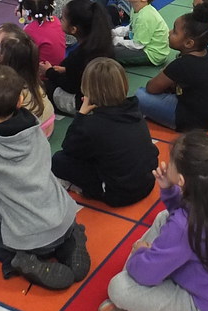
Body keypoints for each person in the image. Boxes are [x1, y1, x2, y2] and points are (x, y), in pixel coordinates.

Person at [98, 132, 208, 311]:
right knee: (164, 217)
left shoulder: (185, 226)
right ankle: (152, 270)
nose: (166, 163)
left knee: (119, 287)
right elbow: (183, 215)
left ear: (181, 179)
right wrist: (169, 191)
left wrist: (140, 252)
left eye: (170, 161)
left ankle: (138, 298)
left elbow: (146, 273)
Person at [0, 65, 90, 291]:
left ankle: (24, 261)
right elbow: (45, 168)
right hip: (64, 216)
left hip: (30, 237)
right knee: (44, 224)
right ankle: (71, 239)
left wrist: (14, 226)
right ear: (21, 100)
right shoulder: (35, 126)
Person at [50, 58, 157, 207]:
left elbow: (68, 148)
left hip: (119, 194)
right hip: (147, 182)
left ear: (87, 89)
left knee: (58, 160)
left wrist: (80, 115)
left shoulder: (93, 125)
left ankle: (87, 190)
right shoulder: (134, 109)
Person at [136, 7, 208, 132]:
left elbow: (151, 88)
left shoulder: (183, 64)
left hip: (193, 122)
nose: (169, 32)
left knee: (140, 95)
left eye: (174, 32)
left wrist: (166, 71)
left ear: (189, 44)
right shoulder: (206, 52)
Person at [42, 0, 114, 114]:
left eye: (63, 19)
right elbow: (82, 71)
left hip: (83, 104)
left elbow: (70, 86)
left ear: (73, 29)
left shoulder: (80, 54)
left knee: (42, 87)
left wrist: (49, 72)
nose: (60, 20)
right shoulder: (103, 44)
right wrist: (66, 69)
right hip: (104, 98)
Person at [112, 0, 170, 67]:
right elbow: (132, 27)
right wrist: (115, 32)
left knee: (112, 52)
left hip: (151, 53)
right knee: (117, 31)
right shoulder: (135, 8)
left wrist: (118, 40)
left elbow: (138, 45)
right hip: (141, 41)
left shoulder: (145, 17)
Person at [19, 0, 65, 67]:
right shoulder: (55, 20)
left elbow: (23, 59)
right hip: (58, 69)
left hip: (42, 76)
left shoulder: (29, 32)